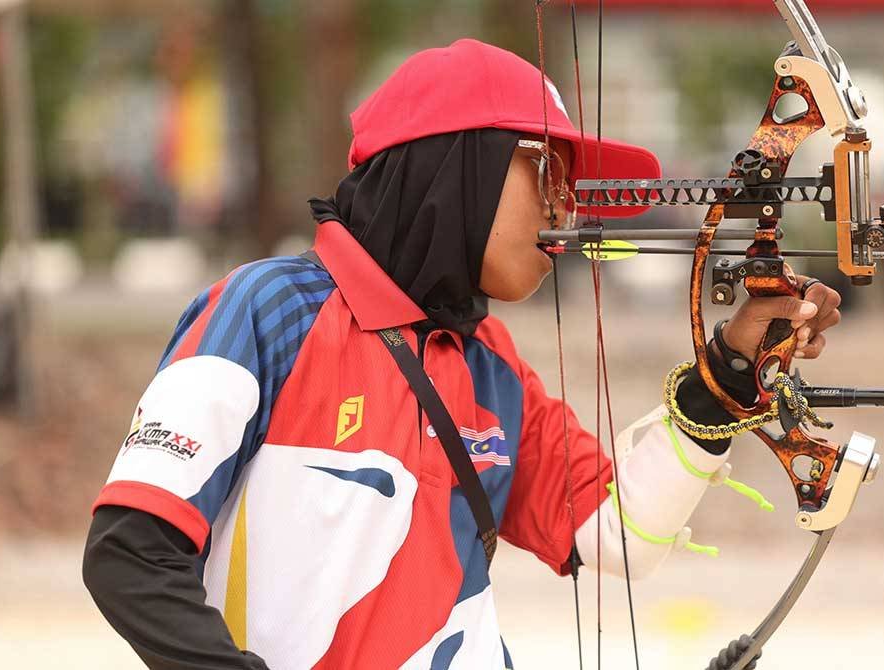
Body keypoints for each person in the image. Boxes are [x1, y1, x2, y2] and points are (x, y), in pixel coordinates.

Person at [82, 39, 841, 670]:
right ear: (461, 166)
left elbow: (619, 532)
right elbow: (131, 554)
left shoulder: (488, 361)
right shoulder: (268, 311)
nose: (565, 211)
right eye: (548, 172)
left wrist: (736, 362)